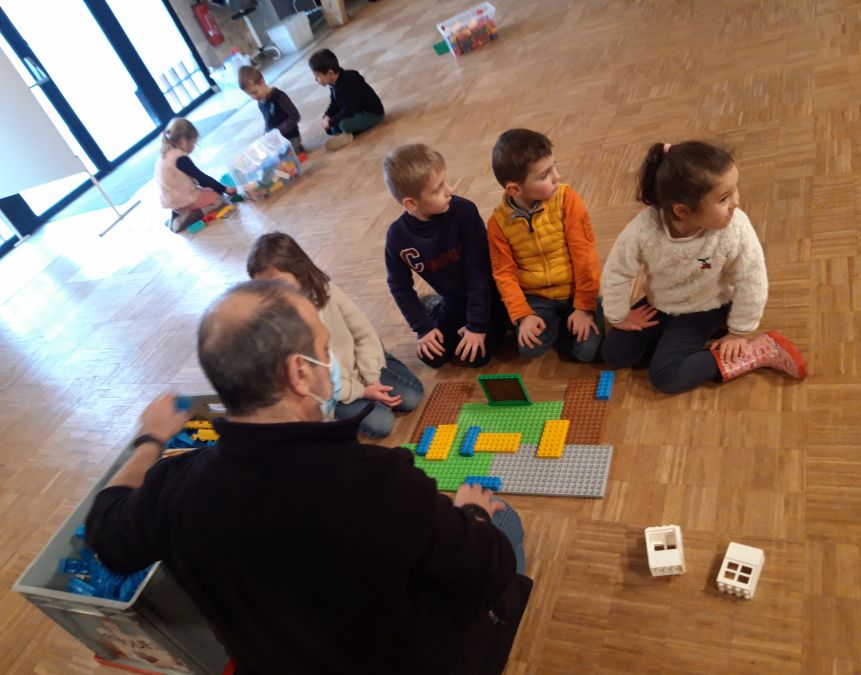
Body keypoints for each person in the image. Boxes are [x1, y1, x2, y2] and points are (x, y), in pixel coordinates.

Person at [86, 280, 532, 675]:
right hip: (408, 661)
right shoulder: (380, 482)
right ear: (299, 373)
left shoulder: (172, 488)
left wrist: (151, 438)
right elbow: (487, 570)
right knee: (503, 521)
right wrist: (473, 513)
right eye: (323, 349)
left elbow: (106, 533)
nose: (331, 361)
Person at [600, 141, 808, 393]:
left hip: (705, 306)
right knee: (614, 354)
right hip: (662, 303)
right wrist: (620, 315)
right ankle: (686, 343)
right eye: (724, 198)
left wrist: (739, 332)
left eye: (735, 189)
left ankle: (761, 350)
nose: (736, 202)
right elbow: (617, 271)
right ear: (682, 211)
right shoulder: (644, 228)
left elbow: (752, 281)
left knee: (666, 376)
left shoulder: (735, 228)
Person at [247, 231, 423, 438]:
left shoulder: (326, 291)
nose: (272, 292)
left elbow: (364, 334)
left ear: (299, 270)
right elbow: (313, 380)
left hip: (359, 364)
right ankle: (341, 410)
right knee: (382, 424)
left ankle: (377, 371)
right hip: (331, 389)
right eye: (262, 287)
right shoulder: (273, 326)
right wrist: (360, 391)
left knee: (412, 397)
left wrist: (371, 378)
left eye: (278, 282)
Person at [383, 144, 508, 368]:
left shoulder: (464, 212)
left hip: (488, 295)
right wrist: (423, 328)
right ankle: (433, 308)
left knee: (475, 357)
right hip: (453, 301)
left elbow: (478, 275)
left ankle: (496, 321)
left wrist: (476, 326)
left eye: (445, 182)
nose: (449, 190)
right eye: (437, 189)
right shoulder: (397, 237)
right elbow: (399, 287)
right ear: (411, 204)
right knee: (432, 357)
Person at [487, 129, 604, 362]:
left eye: (554, 167)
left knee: (588, 353)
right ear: (515, 189)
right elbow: (504, 274)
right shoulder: (497, 224)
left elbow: (585, 257)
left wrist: (583, 306)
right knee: (528, 349)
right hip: (536, 298)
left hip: (574, 291)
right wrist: (523, 315)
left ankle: (569, 322)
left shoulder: (567, 199)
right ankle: (554, 326)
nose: (557, 177)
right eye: (544, 175)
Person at [155, 118, 236, 232]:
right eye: (193, 144)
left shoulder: (166, 154)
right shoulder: (180, 158)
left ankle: (178, 214)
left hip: (172, 200)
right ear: (183, 140)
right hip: (183, 199)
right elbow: (202, 178)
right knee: (218, 198)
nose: (193, 148)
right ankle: (190, 215)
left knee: (207, 191)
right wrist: (224, 189)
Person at [309, 48, 384, 152]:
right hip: (356, 112)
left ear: (330, 73)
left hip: (372, 114)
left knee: (343, 124)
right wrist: (327, 116)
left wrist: (332, 121)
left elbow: (350, 109)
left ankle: (348, 135)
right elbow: (334, 103)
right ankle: (345, 134)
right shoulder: (333, 83)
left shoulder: (348, 81)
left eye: (318, 76)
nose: (315, 79)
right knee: (333, 127)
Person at [238, 65, 304, 155]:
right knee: (267, 156)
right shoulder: (260, 103)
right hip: (277, 140)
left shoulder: (279, 96)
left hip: (291, 138)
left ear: (262, 82)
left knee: (284, 158)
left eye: (254, 92)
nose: (253, 97)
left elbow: (295, 116)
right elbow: (267, 120)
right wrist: (266, 133)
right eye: (249, 94)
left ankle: (298, 148)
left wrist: (278, 131)